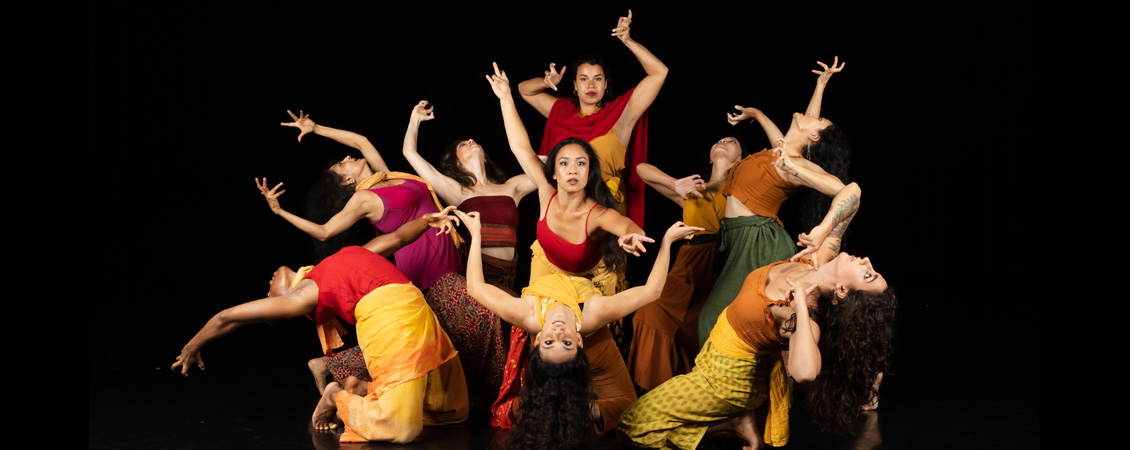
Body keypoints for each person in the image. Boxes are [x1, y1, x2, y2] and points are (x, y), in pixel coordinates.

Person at [258, 111, 506, 409]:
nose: (348, 158)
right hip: (426, 270)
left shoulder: (389, 177)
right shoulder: (362, 200)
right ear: (347, 180)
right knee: (483, 316)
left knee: (427, 338)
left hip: (446, 259)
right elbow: (324, 232)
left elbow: (361, 141)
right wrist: (280, 212)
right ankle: (495, 397)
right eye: (341, 164)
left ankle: (330, 366)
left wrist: (316, 128)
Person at [172, 210, 470, 444]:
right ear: (282, 300)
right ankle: (335, 396)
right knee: (401, 430)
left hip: (416, 307)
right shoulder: (303, 295)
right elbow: (227, 317)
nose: (269, 281)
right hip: (390, 319)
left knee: (452, 409)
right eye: (269, 292)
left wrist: (427, 221)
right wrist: (191, 347)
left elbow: (395, 240)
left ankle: (361, 389)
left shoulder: (334, 261)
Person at [457, 208, 703, 447]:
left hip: (555, 261)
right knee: (628, 407)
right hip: (589, 283)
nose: (558, 332)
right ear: (578, 340)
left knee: (541, 400)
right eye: (566, 342)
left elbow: (475, 288)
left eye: (549, 341)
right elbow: (653, 292)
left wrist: (477, 233)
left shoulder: (528, 315)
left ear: (539, 336)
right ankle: (574, 409)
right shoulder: (594, 314)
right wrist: (668, 241)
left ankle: (558, 408)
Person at [617, 247, 897, 449]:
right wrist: (822, 228)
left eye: (868, 274)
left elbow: (805, 372)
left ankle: (733, 422)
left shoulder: (804, 317)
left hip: (726, 380)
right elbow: (852, 192)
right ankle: (736, 423)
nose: (867, 261)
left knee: (633, 424)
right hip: (716, 354)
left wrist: (800, 302)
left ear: (842, 291)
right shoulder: (818, 255)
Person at [696, 57, 859, 348]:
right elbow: (801, 129)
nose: (814, 116)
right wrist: (820, 85)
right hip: (742, 237)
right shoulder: (781, 151)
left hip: (758, 241)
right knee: (731, 318)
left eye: (819, 120)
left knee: (714, 319)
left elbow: (841, 189)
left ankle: (724, 382)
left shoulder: (795, 165)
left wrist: (824, 227)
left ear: (812, 136)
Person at [516, 10, 667, 228]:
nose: (591, 85)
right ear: (575, 86)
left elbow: (659, 73)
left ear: (606, 85)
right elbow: (524, 90)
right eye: (583, 79)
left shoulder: (620, 116)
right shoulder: (562, 112)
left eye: (598, 79)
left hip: (606, 214)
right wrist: (545, 82)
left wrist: (628, 40)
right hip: (563, 213)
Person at [626, 136, 744, 391]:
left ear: (740, 159)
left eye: (732, 141)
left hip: (721, 268)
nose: (723, 141)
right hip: (686, 268)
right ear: (710, 157)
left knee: (706, 330)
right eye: (719, 140)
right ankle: (658, 396)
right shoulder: (691, 193)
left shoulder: (744, 188)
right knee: (648, 313)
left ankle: (701, 396)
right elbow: (640, 170)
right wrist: (675, 184)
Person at [400, 100, 536, 293]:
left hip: (510, 275)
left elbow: (550, 166)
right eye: (463, 144)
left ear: (486, 158)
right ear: (456, 164)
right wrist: (415, 119)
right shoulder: (456, 190)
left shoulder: (511, 187)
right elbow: (409, 152)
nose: (471, 140)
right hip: (479, 276)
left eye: (472, 141)